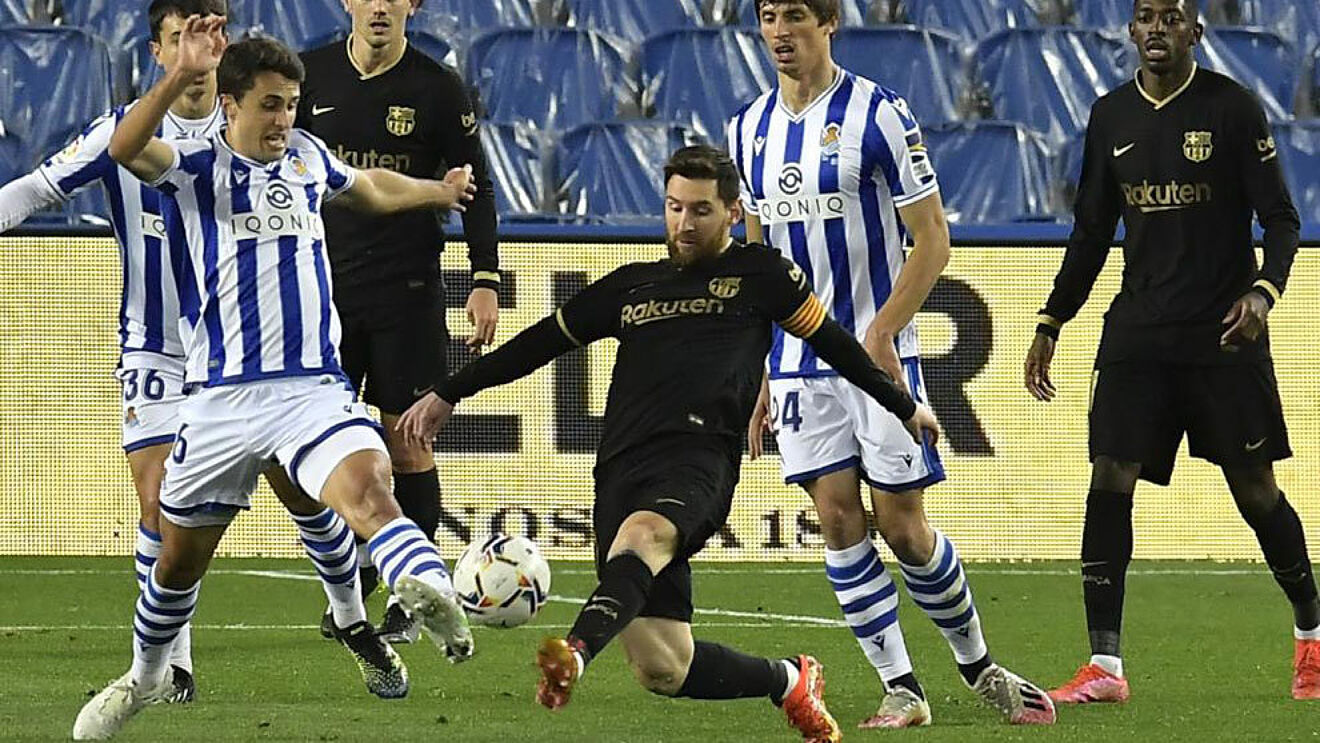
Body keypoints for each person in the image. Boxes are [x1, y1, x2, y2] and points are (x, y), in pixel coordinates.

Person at [398, 144, 939, 742]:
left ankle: (573, 654)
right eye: (675, 207)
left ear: (733, 212)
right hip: (620, 467)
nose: (685, 222)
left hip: (698, 459)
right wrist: (449, 391)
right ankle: (790, 680)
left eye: (701, 210)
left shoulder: (764, 275)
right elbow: (536, 345)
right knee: (663, 668)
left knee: (642, 538)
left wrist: (903, 404)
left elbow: (837, 346)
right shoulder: (632, 286)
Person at [72, 22, 479, 741]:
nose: (284, 118)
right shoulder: (195, 169)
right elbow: (125, 148)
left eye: (291, 104)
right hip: (221, 401)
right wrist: (177, 76)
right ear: (230, 105)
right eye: (269, 104)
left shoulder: (307, 157)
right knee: (177, 562)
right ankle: (144, 676)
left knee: (370, 490)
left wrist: (435, 191)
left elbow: (369, 187)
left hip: (310, 392)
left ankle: (432, 590)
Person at [0, 0, 400, 704]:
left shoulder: (261, 131)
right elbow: (33, 190)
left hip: (252, 355)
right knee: (161, 504)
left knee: (305, 497)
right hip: (159, 346)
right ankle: (173, 668)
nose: (198, 48)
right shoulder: (127, 132)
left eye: (209, 31)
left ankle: (350, 619)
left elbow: (350, 189)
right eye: (180, 36)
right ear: (158, 51)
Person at [729, 0, 1054, 727]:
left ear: (828, 22)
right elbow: (757, 264)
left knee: (903, 526)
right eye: (768, 15)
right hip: (797, 361)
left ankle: (978, 665)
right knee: (837, 519)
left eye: (795, 15)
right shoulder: (746, 128)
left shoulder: (879, 113)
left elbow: (932, 238)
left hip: (877, 360)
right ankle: (901, 687)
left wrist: (883, 332)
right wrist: (758, 369)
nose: (779, 31)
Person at [1025, 0, 1319, 703]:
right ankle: (1104, 666)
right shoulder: (1110, 116)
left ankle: (1312, 635)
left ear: (1195, 32)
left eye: (1173, 17)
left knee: (1256, 490)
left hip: (1224, 334)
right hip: (1139, 334)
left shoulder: (1233, 108)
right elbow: (1091, 232)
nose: (1158, 28)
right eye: (1147, 17)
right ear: (1131, 30)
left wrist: (1263, 293)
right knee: (1109, 475)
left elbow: (1281, 219)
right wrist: (1052, 318)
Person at [295, 0, 500, 642]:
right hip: (322, 291)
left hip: (405, 290)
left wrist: (485, 277)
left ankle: (413, 599)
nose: (379, 6)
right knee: (319, 447)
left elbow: (476, 187)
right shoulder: (308, 77)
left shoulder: (438, 88)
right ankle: (355, 577)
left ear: (414, 5)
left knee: (407, 440)